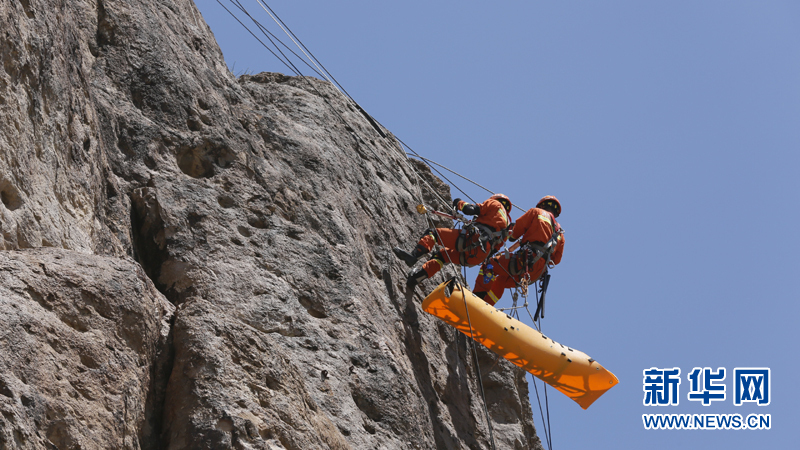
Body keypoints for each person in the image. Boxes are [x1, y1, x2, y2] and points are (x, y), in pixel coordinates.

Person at [393, 194, 513, 288]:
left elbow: (470, 209)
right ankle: (415, 279)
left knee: (433, 234)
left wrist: (458, 202)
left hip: (472, 239)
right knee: (442, 256)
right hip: (478, 256)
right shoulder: (507, 227)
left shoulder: (495, 204)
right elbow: (495, 249)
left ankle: (414, 256)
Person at [473, 195, 564, 305]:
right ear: (556, 213)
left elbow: (515, 233)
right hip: (536, 272)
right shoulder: (560, 233)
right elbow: (556, 260)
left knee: (490, 265)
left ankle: (476, 299)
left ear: (542, 205)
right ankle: (486, 306)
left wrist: (512, 236)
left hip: (524, 260)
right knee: (502, 280)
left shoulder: (536, 212)